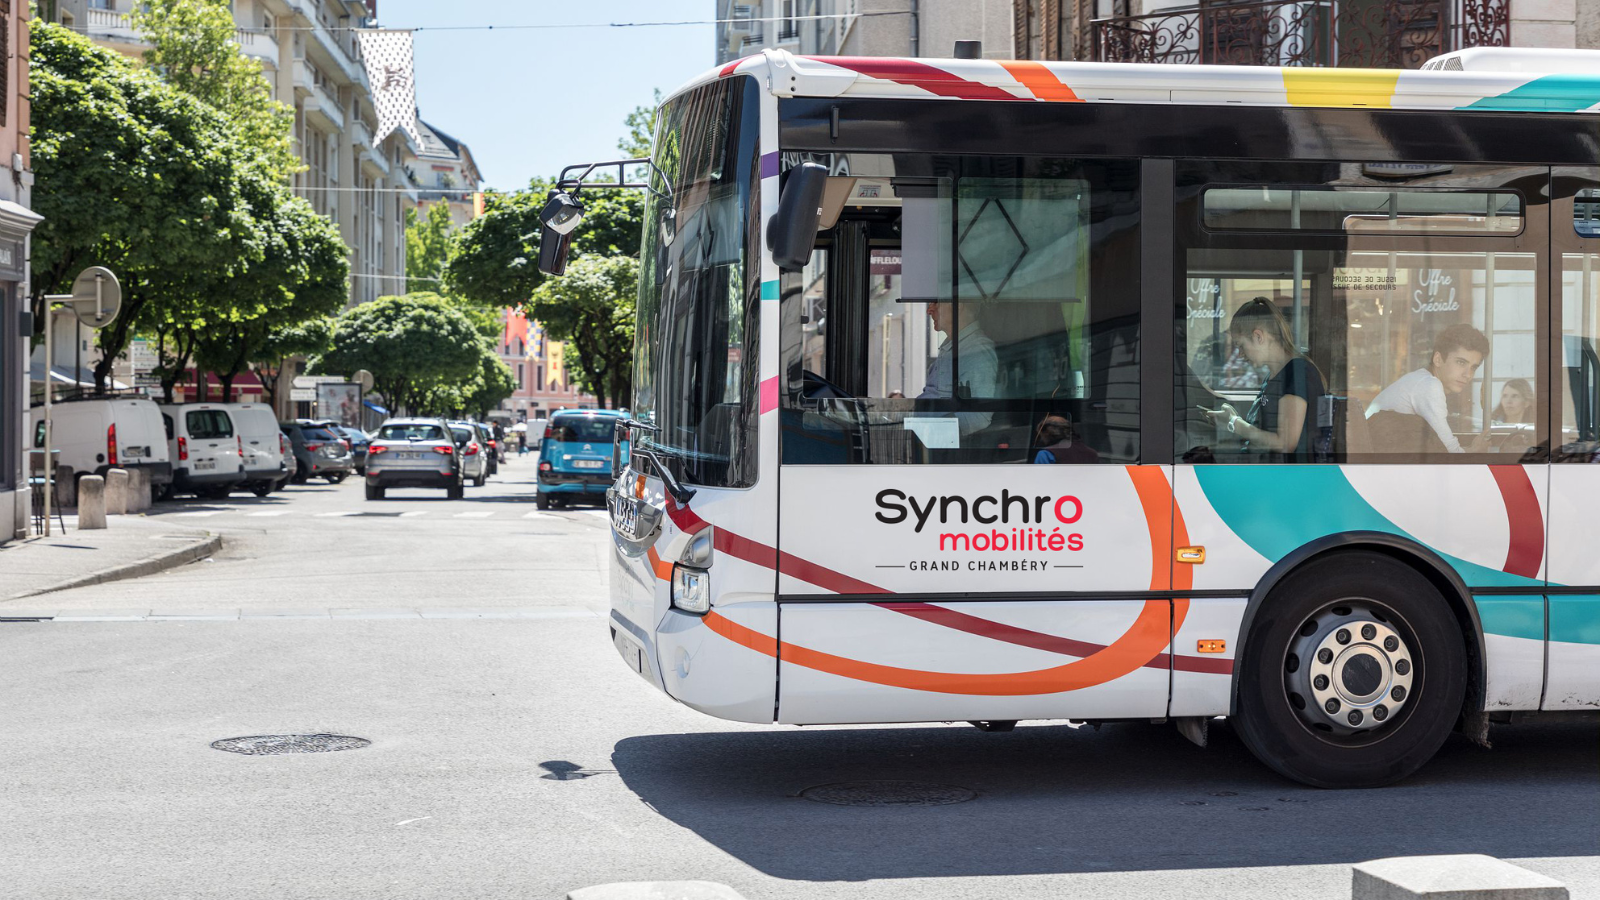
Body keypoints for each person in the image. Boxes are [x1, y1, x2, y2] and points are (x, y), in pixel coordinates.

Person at [1204, 297, 1326, 459]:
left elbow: (1285, 443)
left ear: (1258, 336)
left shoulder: (1297, 372)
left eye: (1241, 345)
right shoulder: (1274, 375)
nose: (1240, 355)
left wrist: (1234, 423)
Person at [1366, 323, 1490, 453]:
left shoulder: (1421, 379)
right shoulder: (1429, 385)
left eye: (1473, 367)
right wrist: (1475, 450)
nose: (1468, 374)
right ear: (1438, 359)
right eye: (1461, 362)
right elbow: (1449, 451)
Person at [916, 301, 998, 436]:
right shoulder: (952, 348)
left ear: (958, 305)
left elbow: (979, 417)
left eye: (936, 303)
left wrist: (932, 431)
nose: (929, 310)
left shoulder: (975, 351)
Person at [1032, 415, 1099, 464]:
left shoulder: (1046, 454)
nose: (1042, 440)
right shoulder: (1092, 453)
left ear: (1047, 433)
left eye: (1041, 435)